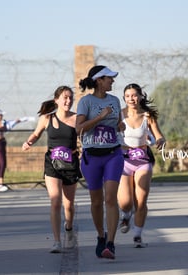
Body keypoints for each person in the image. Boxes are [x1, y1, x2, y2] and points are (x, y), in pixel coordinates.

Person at [22, 86, 81, 253]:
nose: (68, 101)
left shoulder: (77, 119)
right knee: (55, 200)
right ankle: (56, 241)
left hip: (70, 163)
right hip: (52, 163)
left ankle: (68, 228)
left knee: (68, 205)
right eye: (65, 97)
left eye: (70, 98)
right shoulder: (47, 118)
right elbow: (36, 133)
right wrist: (29, 142)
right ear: (56, 100)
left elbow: (85, 137)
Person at [76, 65, 125, 259]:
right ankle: (100, 236)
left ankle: (111, 244)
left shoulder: (114, 100)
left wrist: (119, 125)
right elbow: (78, 128)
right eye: (109, 78)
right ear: (99, 81)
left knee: (111, 199)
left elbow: (118, 124)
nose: (112, 81)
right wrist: (99, 117)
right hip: (92, 157)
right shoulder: (85, 102)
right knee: (96, 202)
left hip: (113, 154)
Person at [117, 83, 166, 248]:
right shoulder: (118, 115)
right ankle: (125, 214)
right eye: (128, 96)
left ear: (140, 97)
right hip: (123, 159)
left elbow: (158, 135)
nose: (131, 99)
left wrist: (160, 140)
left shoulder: (148, 115)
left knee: (141, 200)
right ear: (124, 98)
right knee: (125, 202)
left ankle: (138, 235)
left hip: (142, 160)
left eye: (134, 95)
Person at [0, 110, 22, 191]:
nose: (2, 117)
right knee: (1, 163)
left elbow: (6, 128)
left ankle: (0, 182)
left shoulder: (2, 123)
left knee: (2, 163)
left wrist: (15, 122)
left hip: (3, 143)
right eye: (0, 115)